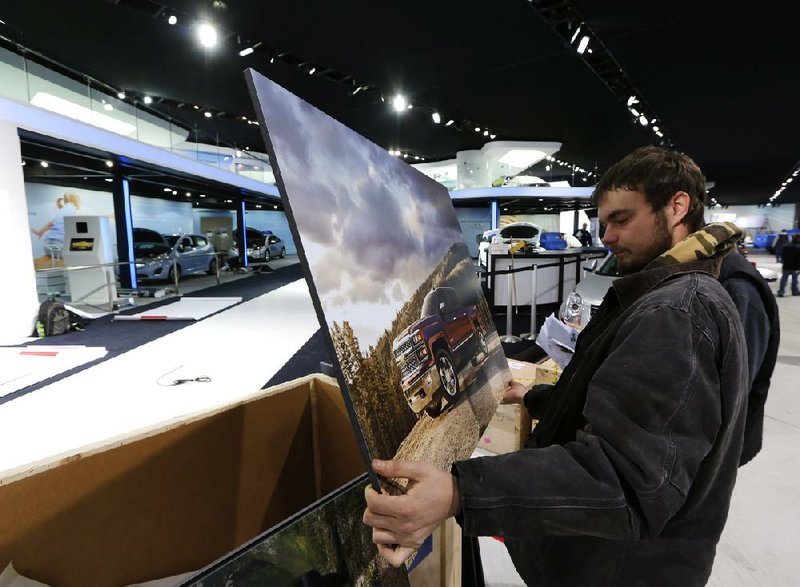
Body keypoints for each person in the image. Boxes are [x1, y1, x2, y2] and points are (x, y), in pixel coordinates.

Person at [363, 146, 749, 585]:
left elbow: (622, 481)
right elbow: (618, 402)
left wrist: (459, 491)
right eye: (602, 223)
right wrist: (538, 396)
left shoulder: (676, 313)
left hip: (621, 572)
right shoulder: (667, 294)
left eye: (622, 220)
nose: (606, 236)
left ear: (678, 207)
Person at [718, 249, 780, 465]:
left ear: (676, 213)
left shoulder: (735, 288)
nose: (609, 235)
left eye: (623, 220)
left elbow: (732, 394)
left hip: (708, 459)